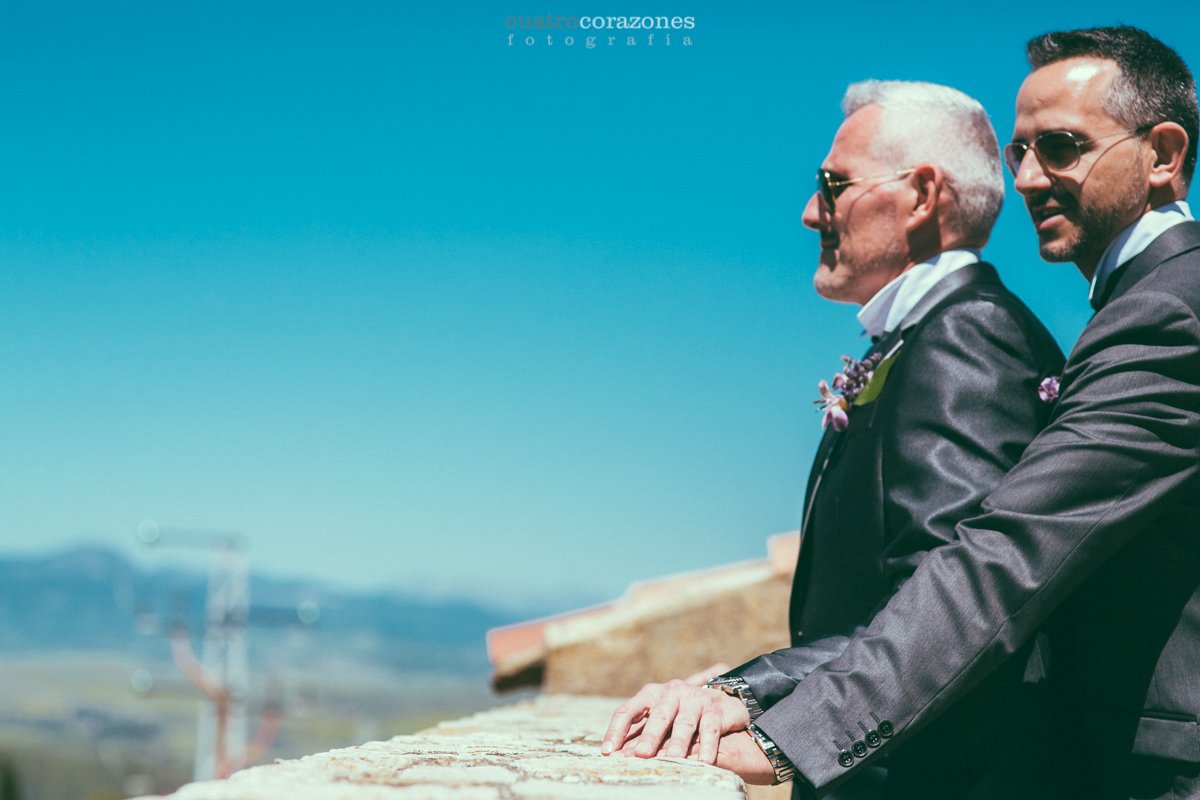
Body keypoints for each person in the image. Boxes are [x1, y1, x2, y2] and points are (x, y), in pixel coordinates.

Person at [604, 25, 1200, 800]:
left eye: (1060, 145)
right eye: (1019, 151)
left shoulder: (1167, 309)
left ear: (1162, 154)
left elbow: (1003, 556)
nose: (1025, 178)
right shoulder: (1141, 304)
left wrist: (785, 732)